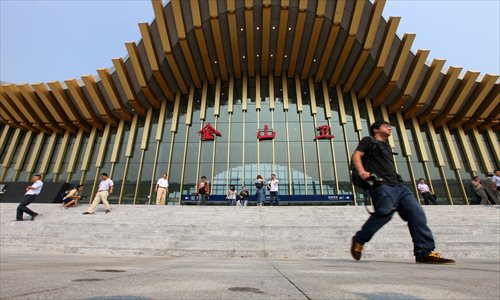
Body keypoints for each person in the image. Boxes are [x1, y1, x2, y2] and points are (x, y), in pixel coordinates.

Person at [350, 120, 454, 264]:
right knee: (385, 212)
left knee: (416, 213)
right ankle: (359, 239)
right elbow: (356, 156)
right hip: (381, 185)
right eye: (385, 125)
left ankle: (424, 252)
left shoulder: (386, 145)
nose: (389, 127)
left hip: (399, 186)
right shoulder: (369, 140)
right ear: (375, 129)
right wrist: (361, 171)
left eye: (390, 126)